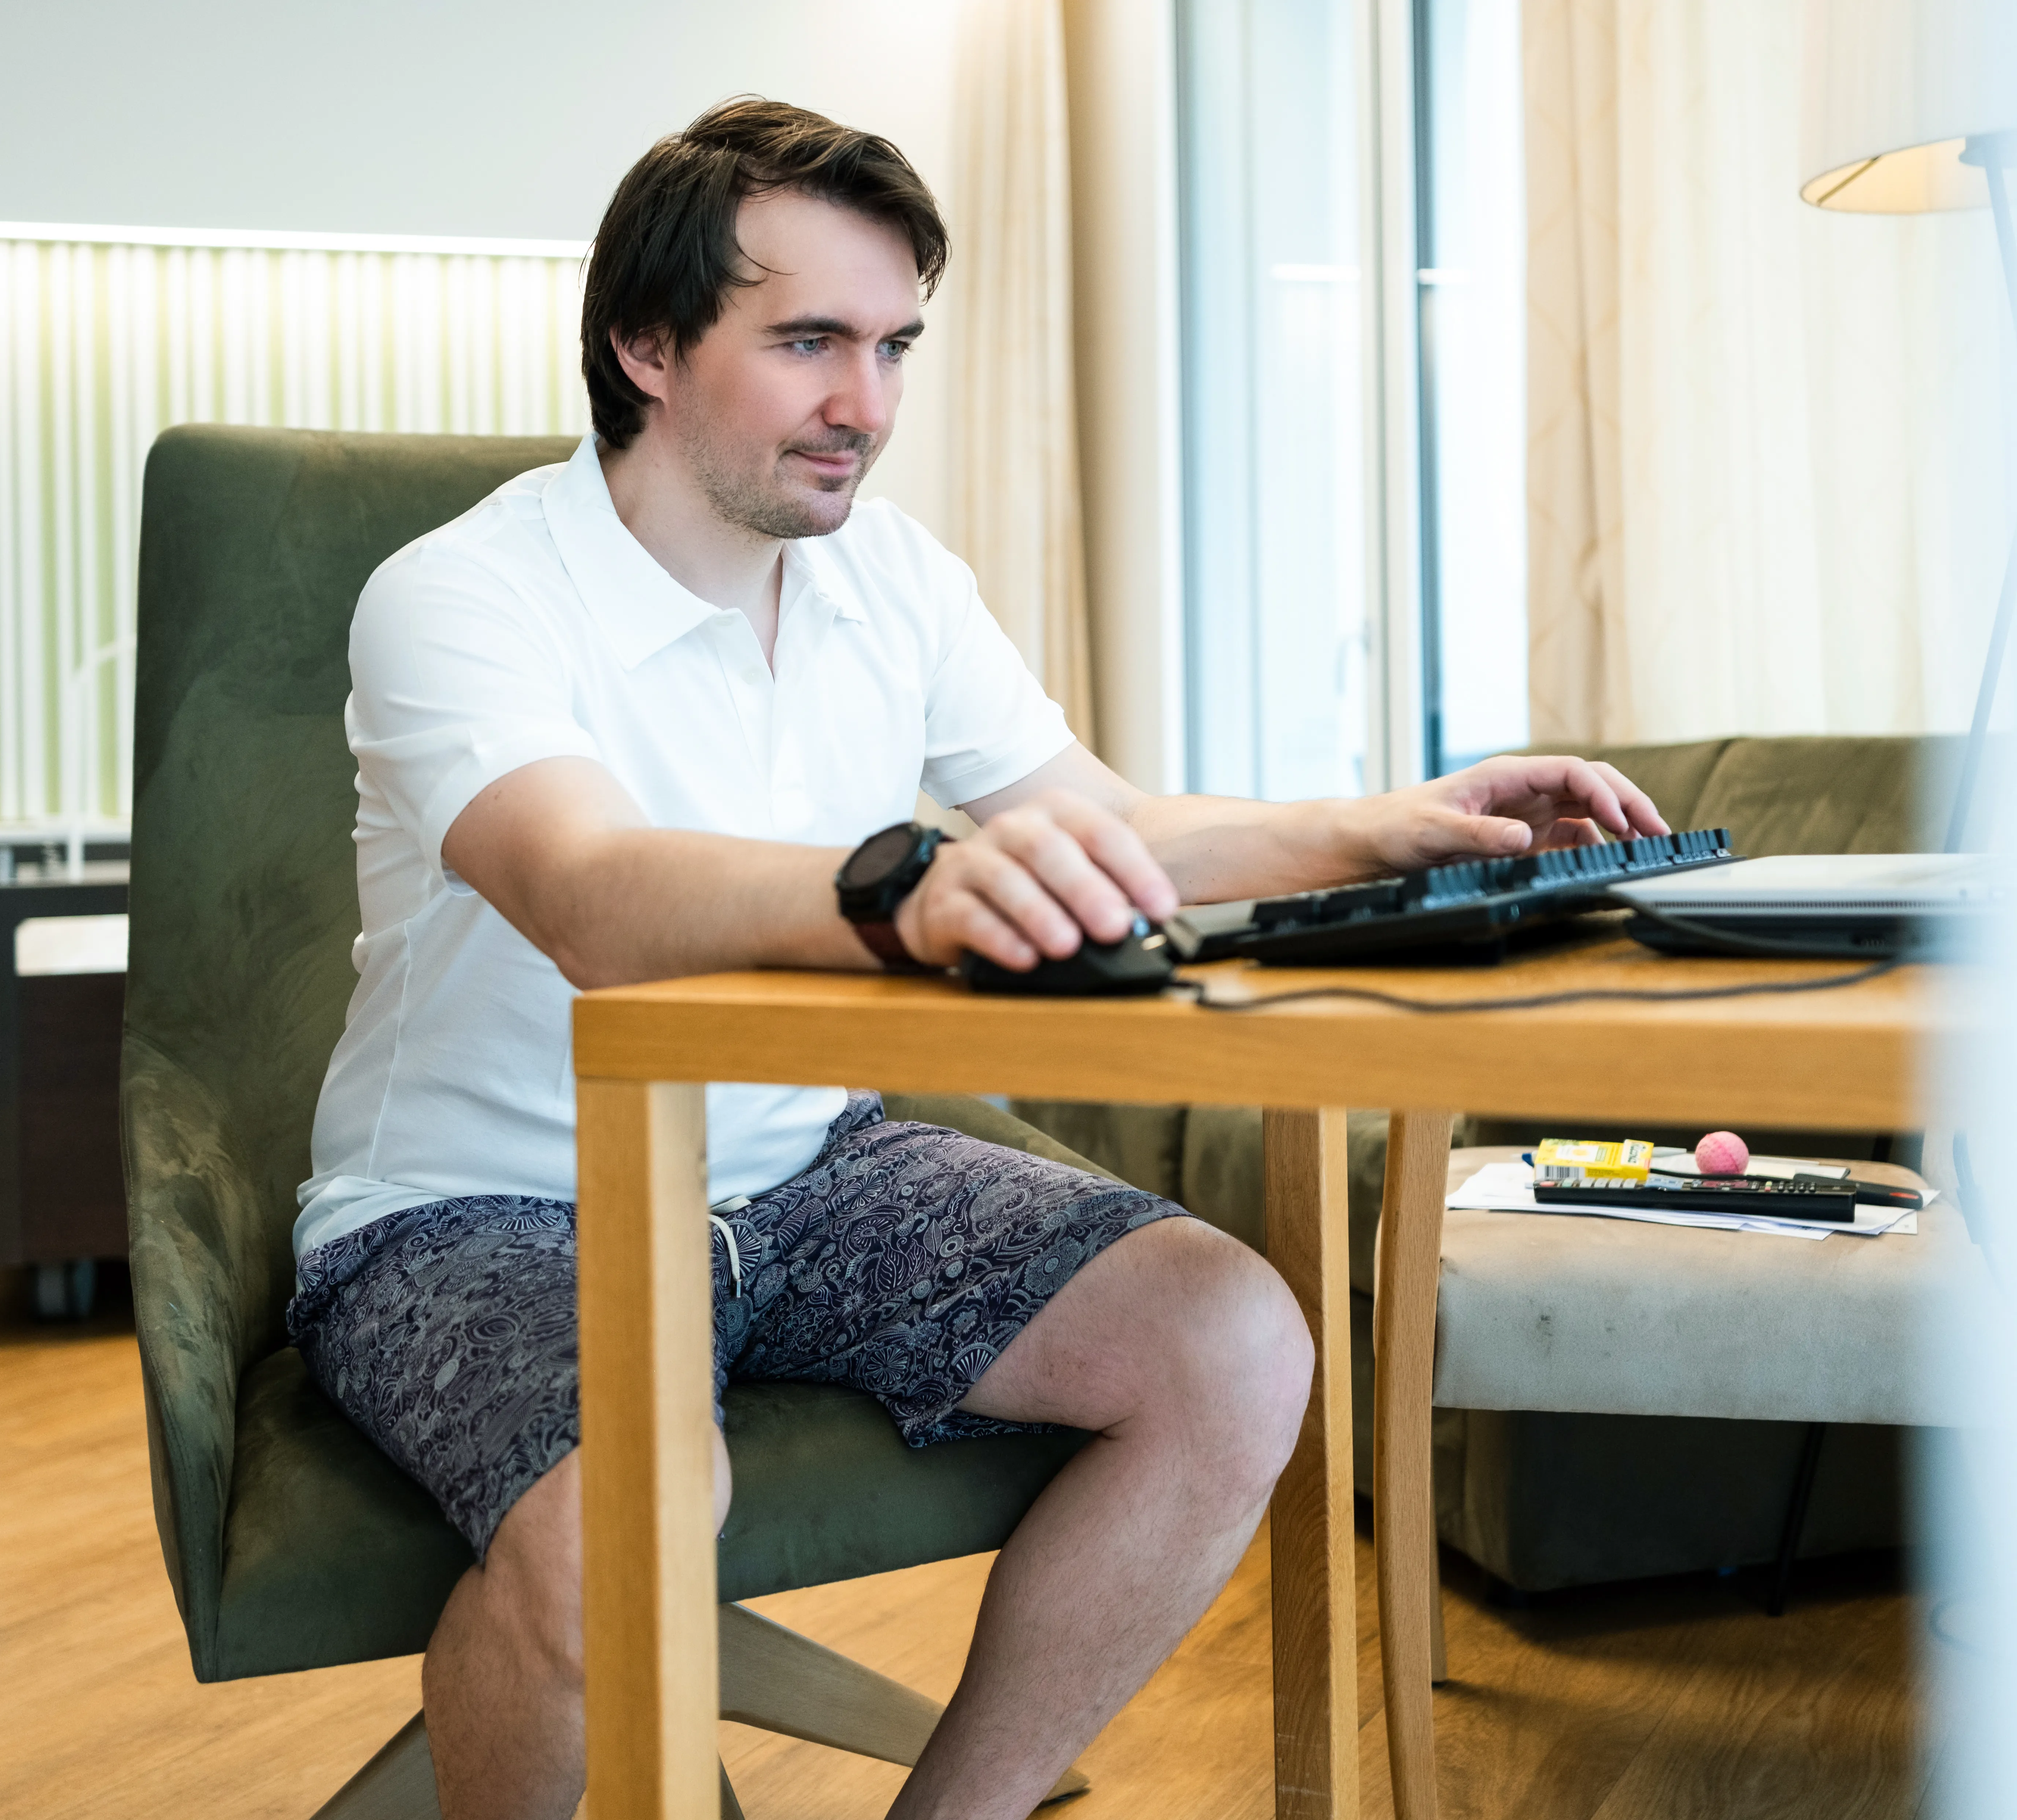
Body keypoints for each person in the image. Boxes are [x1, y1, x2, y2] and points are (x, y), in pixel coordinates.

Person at [287, 97, 1666, 1820]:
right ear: (645, 345)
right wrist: (904, 890)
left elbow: (1100, 822)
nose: (863, 405)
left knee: (1233, 1341)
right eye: (806, 343)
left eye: (890, 346)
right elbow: (587, 889)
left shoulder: (894, 581)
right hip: (480, 1205)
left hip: (805, 1171)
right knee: (615, 1527)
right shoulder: (463, 592)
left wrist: (1385, 825)